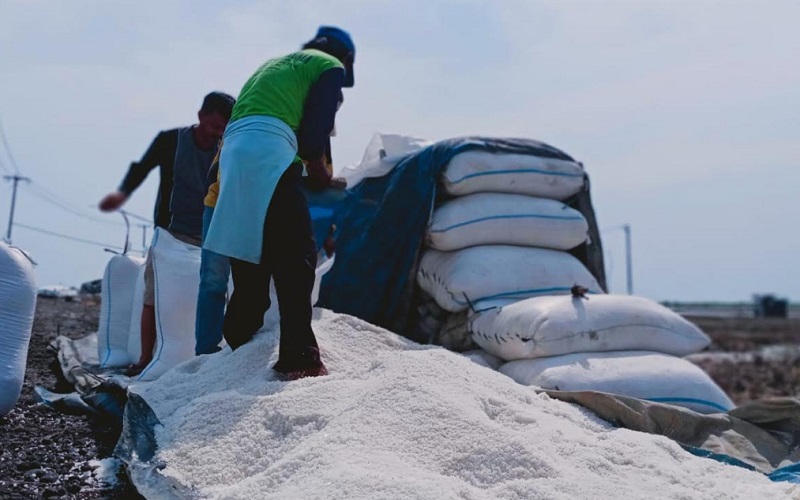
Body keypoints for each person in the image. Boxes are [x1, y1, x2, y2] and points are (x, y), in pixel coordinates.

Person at [203, 26, 355, 380]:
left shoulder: (276, 66)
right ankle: (299, 357)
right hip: (269, 147)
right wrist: (321, 176)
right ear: (346, 59)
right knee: (296, 255)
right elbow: (313, 138)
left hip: (235, 150)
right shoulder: (329, 65)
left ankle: (238, 342)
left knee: (251, 256)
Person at [99, 91, 236, 373]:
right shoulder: (171, 141)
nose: (217, 134)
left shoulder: (227, 150)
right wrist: (122, 194)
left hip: (210, 234)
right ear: (200, 117)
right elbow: (142, 167)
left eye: (223, 129)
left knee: (211, 293)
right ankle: (145, 360)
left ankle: (207, 359)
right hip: (171, 235)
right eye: (214, 126)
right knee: (153, 295)